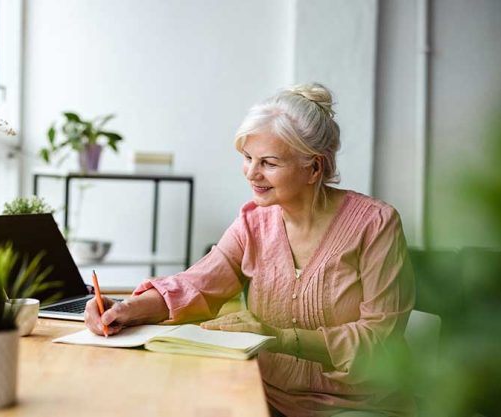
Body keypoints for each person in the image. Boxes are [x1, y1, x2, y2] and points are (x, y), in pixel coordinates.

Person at [85, 83, 415, 417]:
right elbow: (197, 285)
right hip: (262, 396)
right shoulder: (253, 222)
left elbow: (379, 340)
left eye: (269, 163)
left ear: (314, 167)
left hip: (358, 405)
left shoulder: (376, 224)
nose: (252, 174)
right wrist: (128, 309)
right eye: (247, 158)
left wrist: (279, 337)